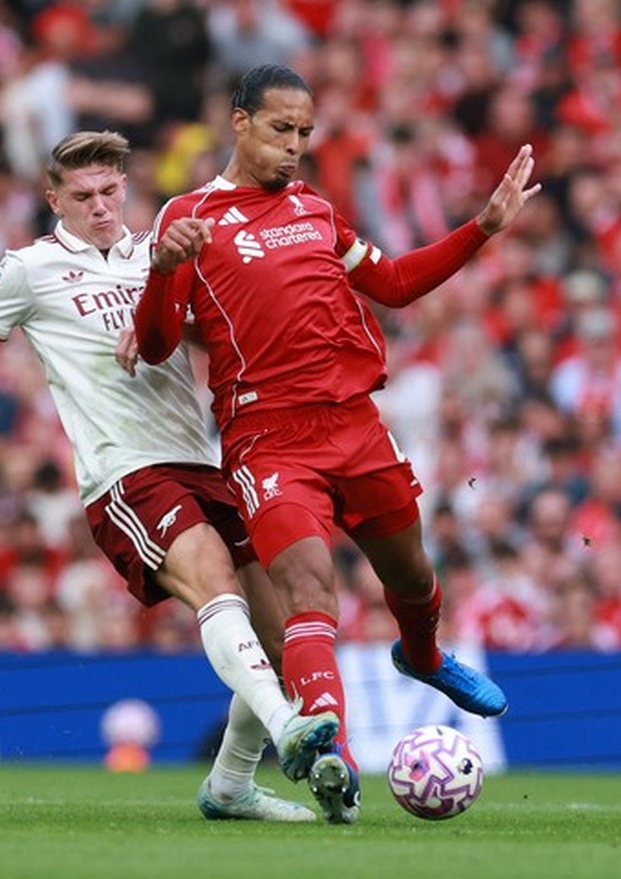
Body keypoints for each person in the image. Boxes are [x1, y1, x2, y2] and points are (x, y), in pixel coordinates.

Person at [0, 130, 338, 821]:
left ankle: (229, 785)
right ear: (55, 199)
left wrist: (177, 315)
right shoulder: (29, 268)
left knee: (282, 635)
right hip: (125, 472)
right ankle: (289, 733)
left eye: (110, 191)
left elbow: (218, 334)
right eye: (84, 196)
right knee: (211, 576)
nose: (101, 206)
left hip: (201, 462)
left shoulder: (159, 252)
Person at [131, 65, 540, 824]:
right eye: (281, 130)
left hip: (354, 425)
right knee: (309, 591)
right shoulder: (189, 217)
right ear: (240, 122)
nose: (294, 147)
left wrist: (482, 228)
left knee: (412, 576)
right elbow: (156, 345)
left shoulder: (317, 211)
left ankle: (421, 656)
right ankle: (333, 758)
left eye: (305, 134)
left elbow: (392, 282)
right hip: (267, 439)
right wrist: (161, 271)